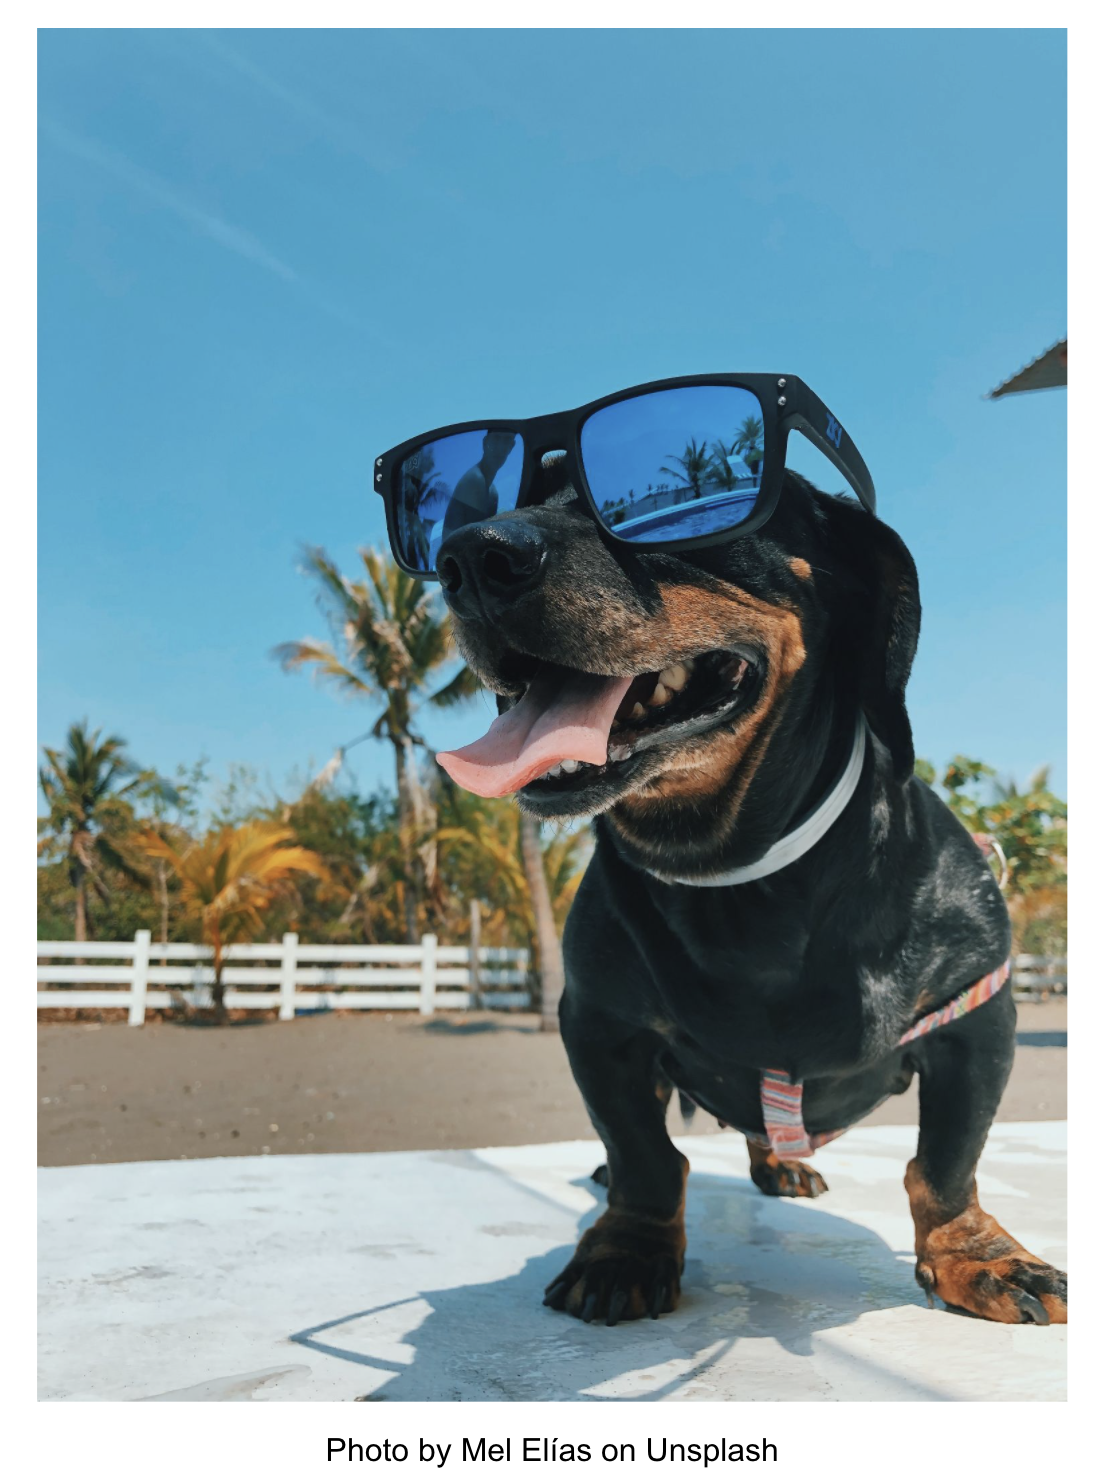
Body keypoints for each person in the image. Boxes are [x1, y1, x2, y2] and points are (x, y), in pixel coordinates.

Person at [442, 431, 517, 540]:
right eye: (496, 438)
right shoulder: (475, 480)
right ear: (485, 443)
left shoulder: (493, 493)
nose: (500, 447)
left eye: (507, 440)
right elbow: (479, 542)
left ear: (512, 446)